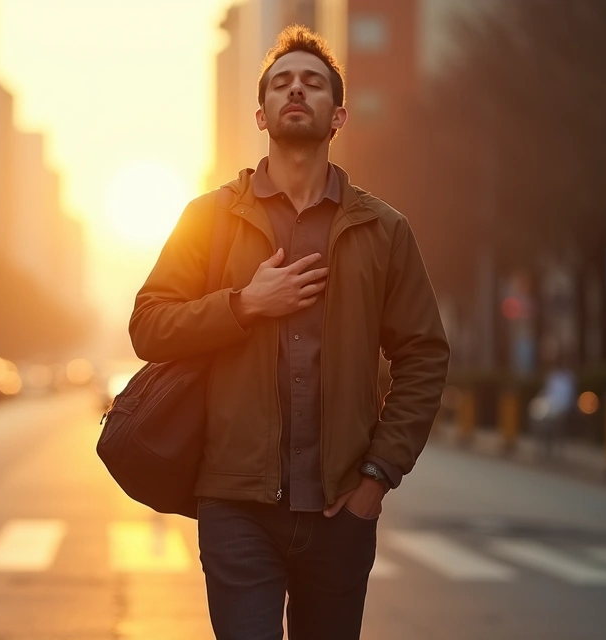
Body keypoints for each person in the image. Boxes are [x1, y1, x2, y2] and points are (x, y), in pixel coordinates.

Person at [128, 25, 450, 639]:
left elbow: (424, 355)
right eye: (281, 83)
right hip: (235, 506)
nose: (296, 90)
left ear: (338, 114)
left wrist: (377, 478)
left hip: (340, 512)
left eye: (312, 83)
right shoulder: (209, 218)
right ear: (260, 113)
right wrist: (244, 304)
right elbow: (148, 325)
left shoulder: (384, 231)